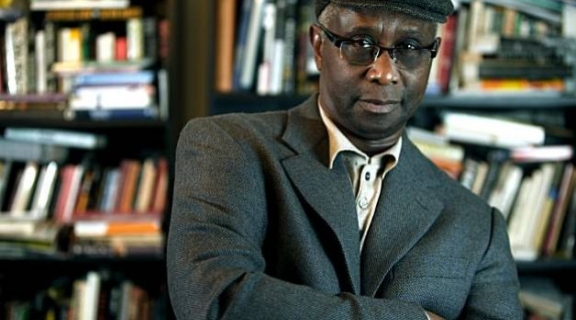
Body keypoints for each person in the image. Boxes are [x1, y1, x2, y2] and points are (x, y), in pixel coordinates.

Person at [166, 0, 524, 319]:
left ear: (433, 54)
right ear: (319, 46)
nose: (384, 72)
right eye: (360, 44)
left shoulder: (477, 223)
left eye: (410, 47)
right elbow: (215, 300)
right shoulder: (231, 147)